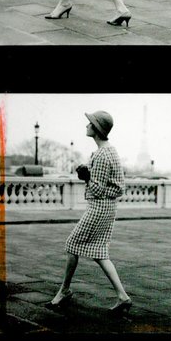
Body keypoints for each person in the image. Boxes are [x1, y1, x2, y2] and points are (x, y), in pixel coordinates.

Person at [47, 111, 132, 313]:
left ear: (96, 128)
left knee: (72, 244)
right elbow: (113, 185)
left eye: (90, 123)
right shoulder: (109, 151)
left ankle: (64, 291)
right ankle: (123, 296)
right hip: (107, 207)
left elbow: (97, 189)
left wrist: (87, 177)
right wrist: (89, 173)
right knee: (99, 251)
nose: (87, 126)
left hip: (99, 207)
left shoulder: (102, 155)